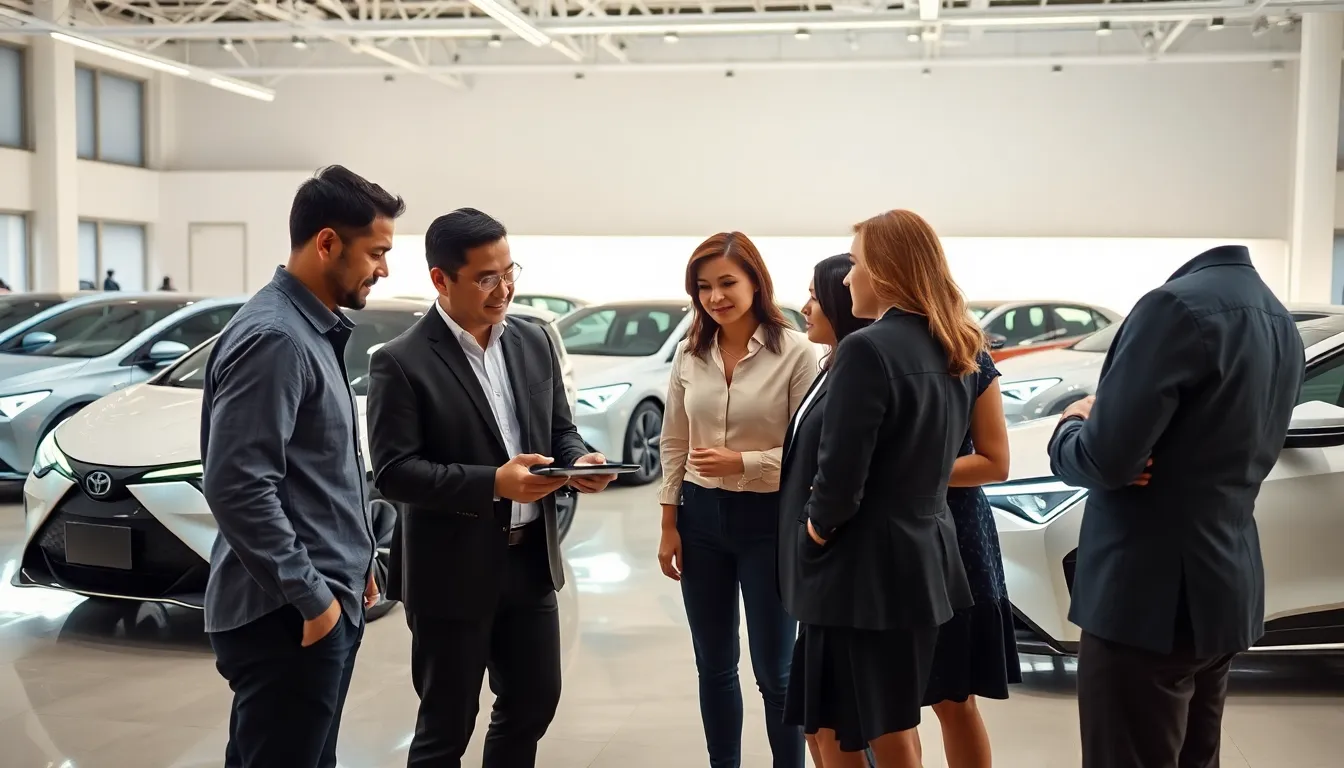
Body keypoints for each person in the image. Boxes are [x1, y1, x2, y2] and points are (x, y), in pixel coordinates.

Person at [366, 207, 617, 768]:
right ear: (440, 279)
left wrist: (579, 464)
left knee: (533, 705)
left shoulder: (532, 340)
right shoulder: (401, 362)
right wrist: (493, 484)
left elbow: (559, 430)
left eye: (510, 272)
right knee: (446, 728)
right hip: (449, 572)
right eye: (485, 277)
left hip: (529, 564)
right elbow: (394, 471)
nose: (503, 288)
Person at [1047, 244, 1305, 768]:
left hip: (1147, 595)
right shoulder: (1280, 320)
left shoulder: (1173, 308)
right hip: (1224, 584)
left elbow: (1107, 459)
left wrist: (1070, 425)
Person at [201, 165, 404, 768]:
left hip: (315, 598)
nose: (384, 269)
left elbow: (316, 473)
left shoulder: (309, 330)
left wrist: (355, 561)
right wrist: (313, 599)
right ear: (326, 243)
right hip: (283, 616)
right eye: (377, 252)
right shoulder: (278, 339)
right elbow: (237, 484)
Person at [783, 209, 981, 768]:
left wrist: (818, 527)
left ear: (887, 272)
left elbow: (842, 471)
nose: (847, 279)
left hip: (859, 572)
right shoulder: (950, 342)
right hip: (921, 561)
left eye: (859, 266)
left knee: (849, 728)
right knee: (876, 720)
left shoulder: (868, 349)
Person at [656, 231, 817, 768]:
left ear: (756, 282)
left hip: (770, 520)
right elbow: (674, 440)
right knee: (715, 665)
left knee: (777, 671)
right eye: (703, 287)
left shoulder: (797, 353)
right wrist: (668, 522)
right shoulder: (689, 352)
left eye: (727, 282)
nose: (715, 297)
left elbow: (807, 454)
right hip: (700, 519)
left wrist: (743, 463)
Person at [775, 253, 871, 768]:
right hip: (820, 573)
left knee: (838, 726)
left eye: (814, 295)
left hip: (837, 570)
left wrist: (815, 530)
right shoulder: (832, 362)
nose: (805, 307)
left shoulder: (856, 364)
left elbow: (845, 470)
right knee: (818, 725)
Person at [917, 346, 1016, 768]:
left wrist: (903, 474)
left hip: (956, 537)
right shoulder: (857, 349)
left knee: (953, 697)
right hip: (891, 539)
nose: (850, 278)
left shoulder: (964, 352)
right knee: (887, 710)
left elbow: (995, 462)